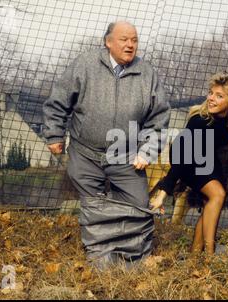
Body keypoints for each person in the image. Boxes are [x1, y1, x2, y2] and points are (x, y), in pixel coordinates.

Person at [43, 21, 170, 268]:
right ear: (108, 41)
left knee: (139, 205)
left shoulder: (147, 73)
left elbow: (159, 117)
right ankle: (100, 260)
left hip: (127, 155)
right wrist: (54, 135)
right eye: (124, 39)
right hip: (85, 153)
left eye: (134, 39)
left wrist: (147, 150)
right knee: (94, 206)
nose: (130, 44)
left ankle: (133, 260)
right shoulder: (85, 64)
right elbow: (58, 100)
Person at [150, 72, 228, 255]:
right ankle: (209, 255)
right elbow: (182, 160)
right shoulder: (199, 120)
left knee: (213, 201)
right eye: (210, 93)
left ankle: (195, 254)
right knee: (218, 194)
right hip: (186, 158)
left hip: (209, 157)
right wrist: (163, 192)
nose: (211, 99)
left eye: (219, 95)